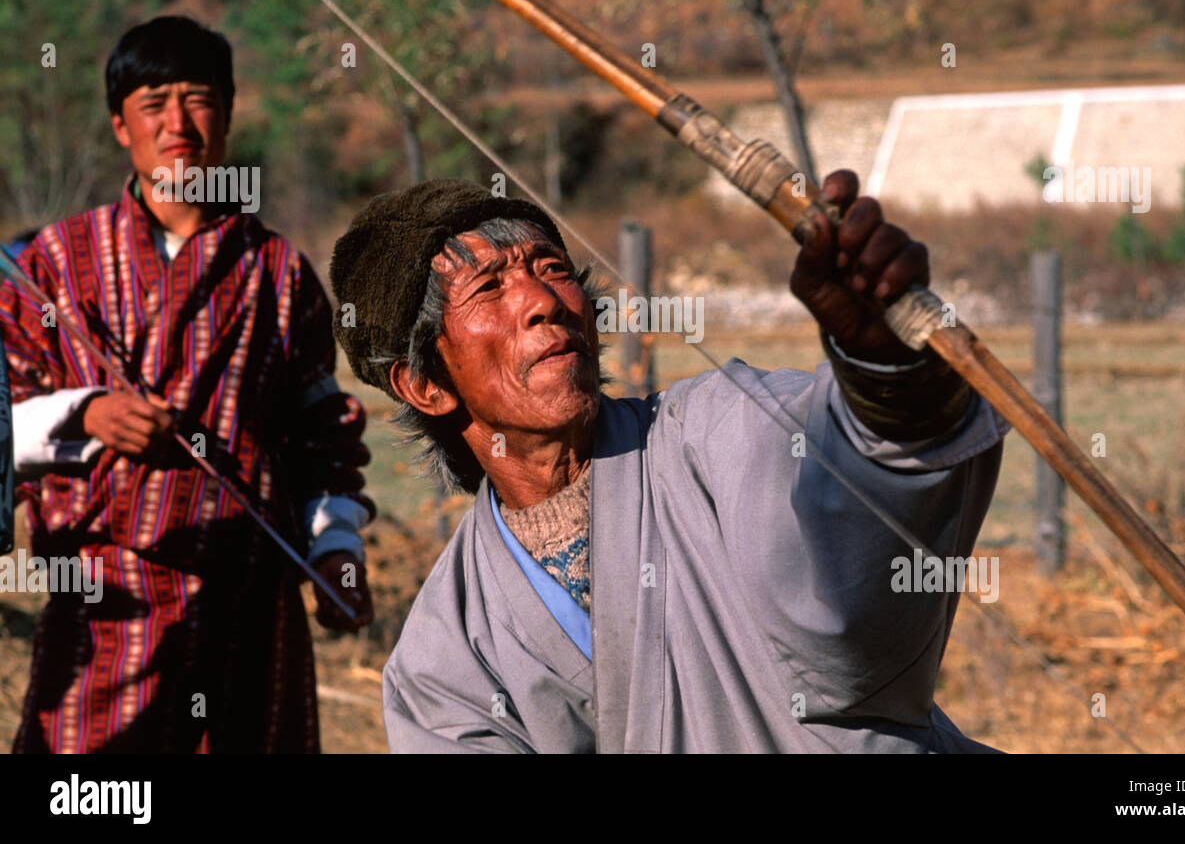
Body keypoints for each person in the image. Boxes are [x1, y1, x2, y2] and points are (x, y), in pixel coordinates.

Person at [330, 173, 1009, 753]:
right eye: (490, 289)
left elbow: (858, 598)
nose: (543, 302)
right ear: (426, 385)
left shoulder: (719, 432)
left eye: (552, 268)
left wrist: (885, 372)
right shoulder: (444, 663)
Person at [0, 15, 375, 753]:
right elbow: (1, 418)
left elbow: (322, 434)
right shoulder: (53, 264)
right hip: (103, 605)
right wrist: (86, 414)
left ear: (228, 116)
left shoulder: (280, 274)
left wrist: (339, 548)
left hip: (251, 609)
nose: (178, 122)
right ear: (120, 126)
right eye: (153, 102)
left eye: (199, 99)